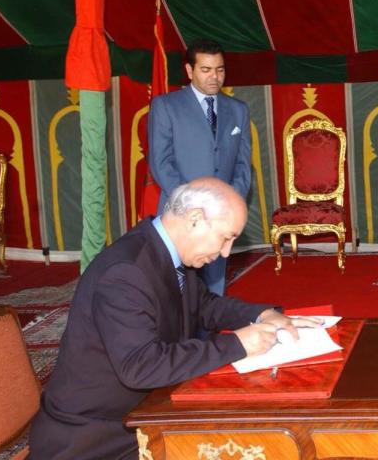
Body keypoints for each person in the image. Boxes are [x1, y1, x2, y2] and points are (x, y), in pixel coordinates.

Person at [29, 178, 321, 459]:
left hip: (142, 415)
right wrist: (238, 345)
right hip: (96, 439)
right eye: (226, 237)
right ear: (195, 218)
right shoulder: (125, 272)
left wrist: (262, 314)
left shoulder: (167, 254)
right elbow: (140, 366)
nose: (225, 252)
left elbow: (204, 306)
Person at [148, 38, 252, 296]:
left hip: (220, 219)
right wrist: (193, 203)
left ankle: (209, 336)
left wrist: (228, 203)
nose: (214, 77)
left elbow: (243, 165)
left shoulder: (238, 110)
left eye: (220, 69)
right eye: (206, 70)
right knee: (175, 292)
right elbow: (160, 162)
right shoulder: (165, 106)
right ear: (189, 70)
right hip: (181, 215)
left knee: (213, 292)